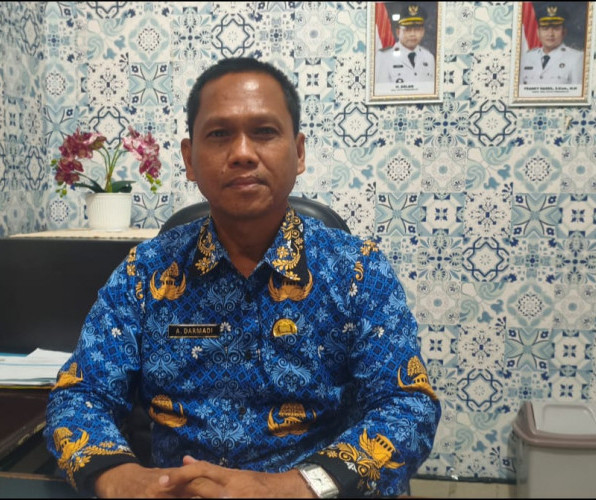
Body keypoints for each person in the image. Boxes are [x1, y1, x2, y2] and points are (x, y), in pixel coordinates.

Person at [44, 56, 441, 498]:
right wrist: (118, 477)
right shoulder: (146, 272)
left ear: (299, 152)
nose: (243, 153)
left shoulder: (357, 271)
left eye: (264, 132)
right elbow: (79, 394)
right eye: (219, 134)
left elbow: (407, 406)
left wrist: (291, 488)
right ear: (189, 159)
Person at [519, 3, 584, 85]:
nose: (550, 34)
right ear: (538, 32)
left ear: (564, 32)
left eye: (556, 29)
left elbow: (578, 90)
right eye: (545, 28)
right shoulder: (526, 58)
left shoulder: (577, 58)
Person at [376, 3, 436, 86]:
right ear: (398, 32)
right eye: (407, 30)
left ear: (423, 32)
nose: (412, 34)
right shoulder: (384, 57)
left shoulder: (429, 57)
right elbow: (381, 89)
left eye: (417, 29)